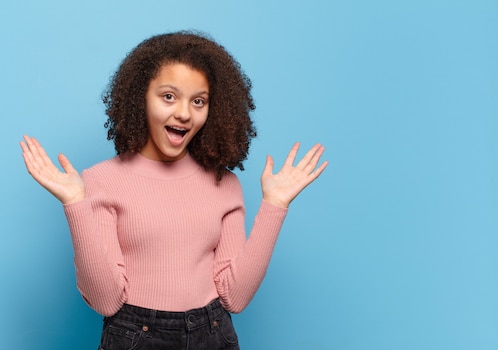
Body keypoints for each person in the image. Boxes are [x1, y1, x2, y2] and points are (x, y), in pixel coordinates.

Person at [20, 31, 327, 350]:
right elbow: (105, 301)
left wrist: (274, 205)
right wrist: (75, 203)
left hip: (213, 332)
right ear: (141, 97)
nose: (183, 113)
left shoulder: (225, 183)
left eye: (198, 101)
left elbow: (235, 298)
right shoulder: (100, 180)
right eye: (169, 96)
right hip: (135, 335)